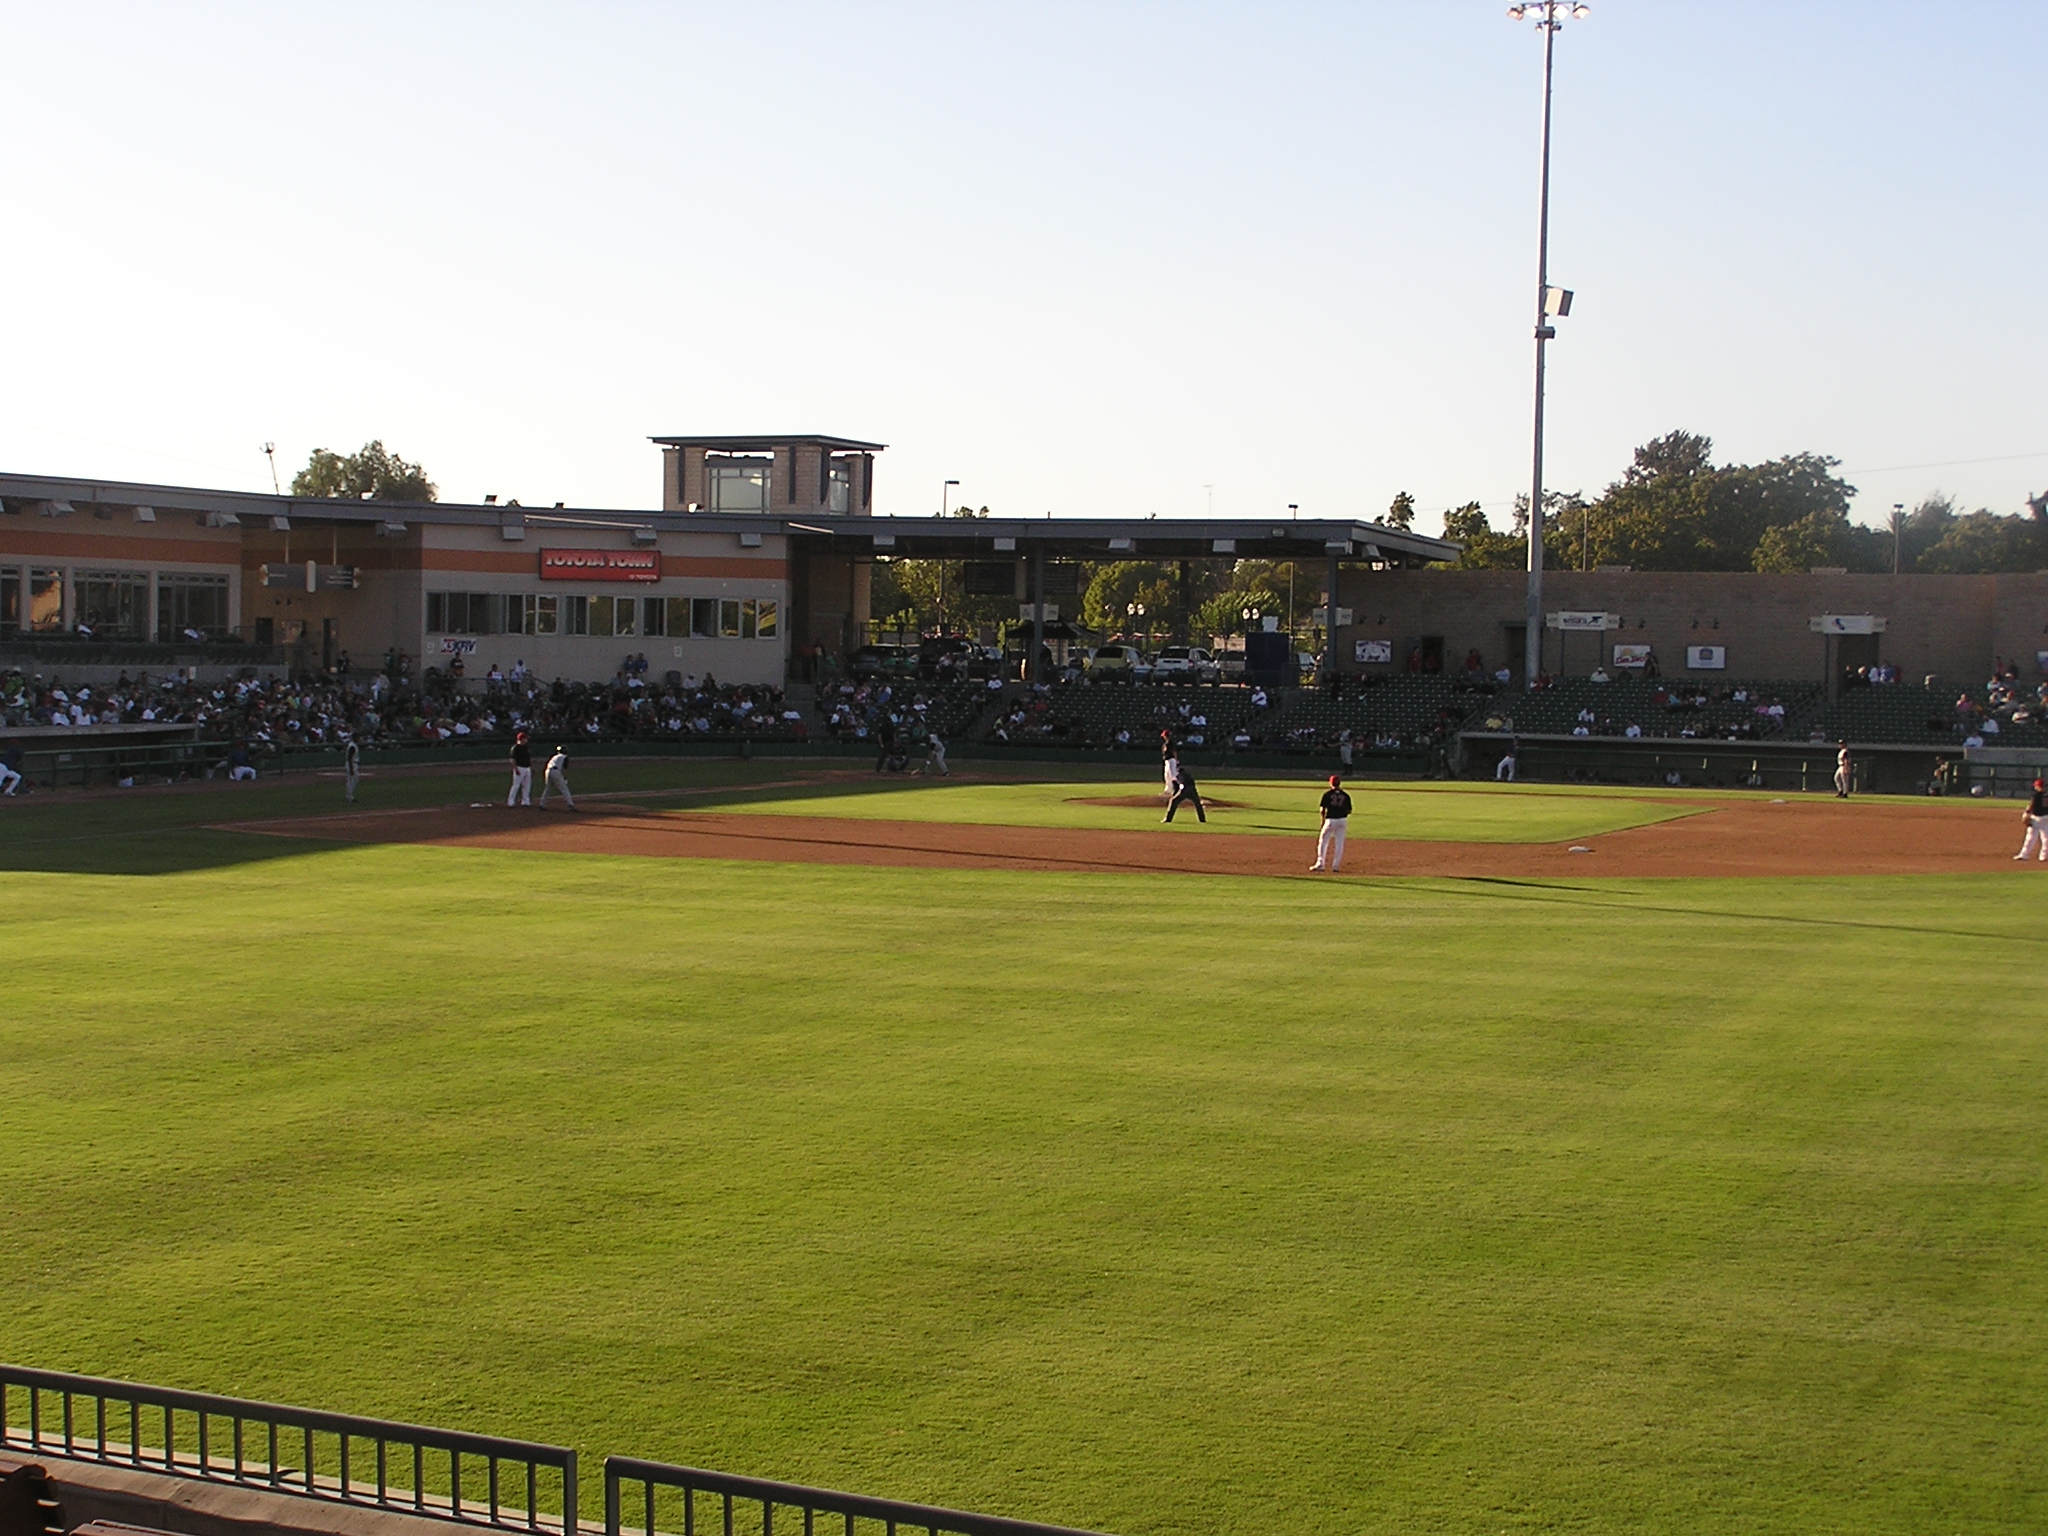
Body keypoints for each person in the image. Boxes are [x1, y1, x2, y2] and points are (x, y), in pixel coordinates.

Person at [1311, 773, 1353, 872]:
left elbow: (1322, 809)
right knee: (1339, 843)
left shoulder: (1327, 794)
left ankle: (1321, 864)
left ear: (1330, 783)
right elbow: (1349, 810)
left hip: (1331, 820)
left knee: (1323, 841)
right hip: (1342, 820)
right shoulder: (1345, 795)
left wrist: (1322, 820)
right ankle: (1336, 866)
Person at [1161, 749, 1206, 823]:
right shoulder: (1188, 775)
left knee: (1173, 801)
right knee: (1198, 804)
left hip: (1184, 789)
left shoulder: (1179, 775)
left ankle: (1168, 819)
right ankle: (1202, 820)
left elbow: (1179, 785)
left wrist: (1175, 794)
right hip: (1193, 790)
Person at [2015, 778, 2048, 861]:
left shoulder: (2036, 795)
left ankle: (2024, 854)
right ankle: (2043, 856)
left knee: (2030, 837)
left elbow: (2031, 805)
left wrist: (2026, 813)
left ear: (2038, 786)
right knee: (2046, 838)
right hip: (2046, 818)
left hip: (2036, 818)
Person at [539, 744, 576, 810]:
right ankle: (570, 805)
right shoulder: (564, 757)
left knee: (548, 788)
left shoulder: (554, 757)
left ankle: (542, 804)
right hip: (555, 772)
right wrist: (565, 778)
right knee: (564, 789)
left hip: (547, 771)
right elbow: (564, 769)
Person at [508, 731, 533, 806]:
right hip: (520, 767)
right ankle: (511, 802)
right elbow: (512, 760)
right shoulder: (515, 748)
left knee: (527, 785)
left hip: (527, 768)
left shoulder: (527, 747)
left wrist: (531, 767)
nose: (526, 740)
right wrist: (516, 769)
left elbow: (529, 758)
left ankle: (525, 801)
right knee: (516, 785)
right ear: (521, 739)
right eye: (525, 738)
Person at [343, 739, 360, 803]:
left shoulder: (352, 745)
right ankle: (349, 796)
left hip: (353, 763)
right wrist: (351, 768)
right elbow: (350, 757)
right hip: (352, 764)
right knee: (351, 781)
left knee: (353, 780)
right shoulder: (352, 746)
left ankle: (349, 795)